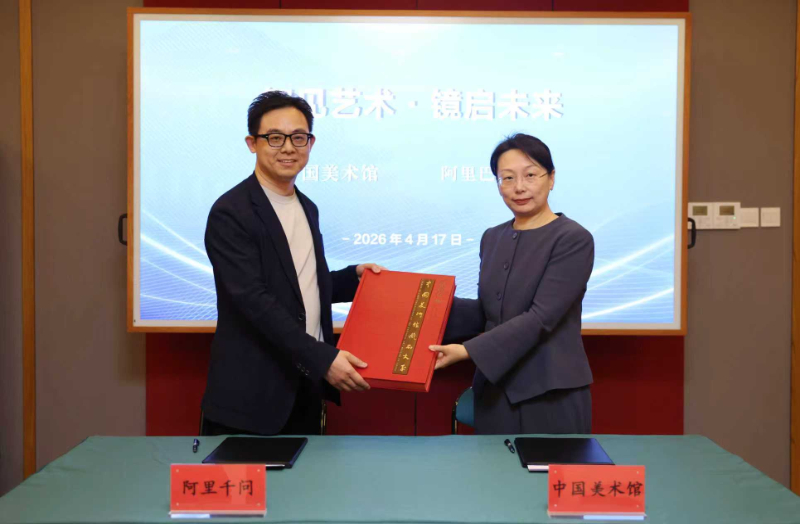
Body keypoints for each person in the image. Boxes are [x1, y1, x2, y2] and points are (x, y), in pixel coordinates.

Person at [201, 91, 382, 436]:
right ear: (252, 143)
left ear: (310, 143)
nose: (288, 147)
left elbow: (298, 285)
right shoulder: (231, 212)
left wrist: (353, 278)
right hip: (252, 397)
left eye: (298, 137)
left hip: (305, 386)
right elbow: (253, 301)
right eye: (275, 137)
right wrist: (322, 357)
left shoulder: (306, 206)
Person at [429, 134, 594, 435]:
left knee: (548, 468)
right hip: (495, 392)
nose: (519, 187)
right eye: (507, 178)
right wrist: (422, 308)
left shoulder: (573, 239)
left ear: (551, 178)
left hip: (550, 393)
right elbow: (489, 311)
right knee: (492, 468)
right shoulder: (492, 237)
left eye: (530, 175)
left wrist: (468, 351)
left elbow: (541, 318)